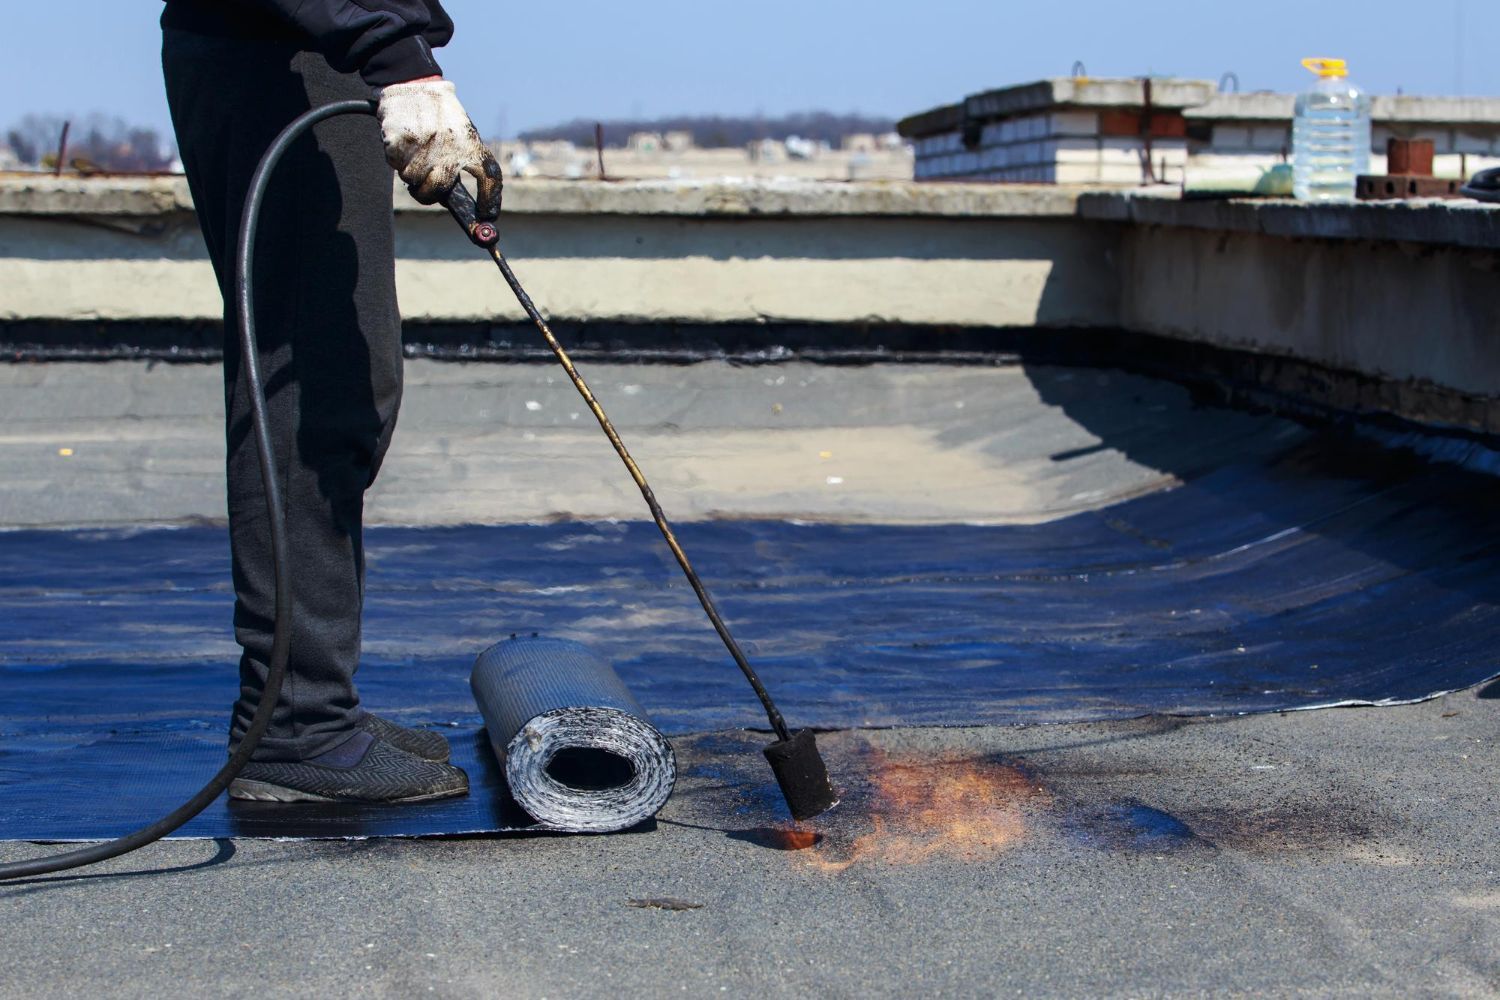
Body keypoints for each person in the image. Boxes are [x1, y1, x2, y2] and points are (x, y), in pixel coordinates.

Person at [159, 0, 502, 803]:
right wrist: (396, 54)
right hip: (282, 56)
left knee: (348, 381)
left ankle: (310, 703)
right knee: (309, 380)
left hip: (301, 48)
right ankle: (296, 729)